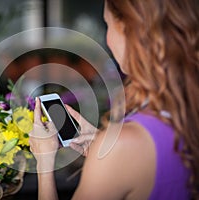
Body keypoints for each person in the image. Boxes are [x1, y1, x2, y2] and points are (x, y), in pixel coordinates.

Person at [29, 0, 199, 199]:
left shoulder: (121, 147)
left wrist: (44, 162)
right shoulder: (188, 116)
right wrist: (103, 147)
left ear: (129, 30)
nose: (107, 40)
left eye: (107, 25)